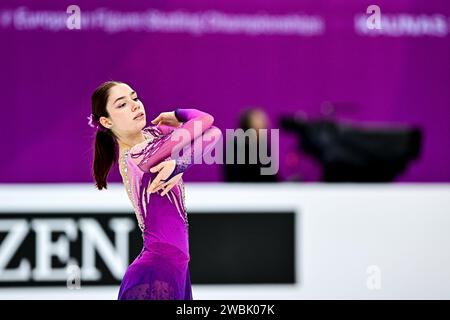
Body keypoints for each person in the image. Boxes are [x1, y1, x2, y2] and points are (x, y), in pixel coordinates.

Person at [89, 80, 221, 299]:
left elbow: (214, 133)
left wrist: (180, 164)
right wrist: (179, 116)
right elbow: (205, 121)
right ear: (106, 121)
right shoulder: (138, 156)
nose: (134, 105)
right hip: (158, 269)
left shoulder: (155, 136)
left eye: (134, 97)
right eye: (122, 105)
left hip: (176, 267)